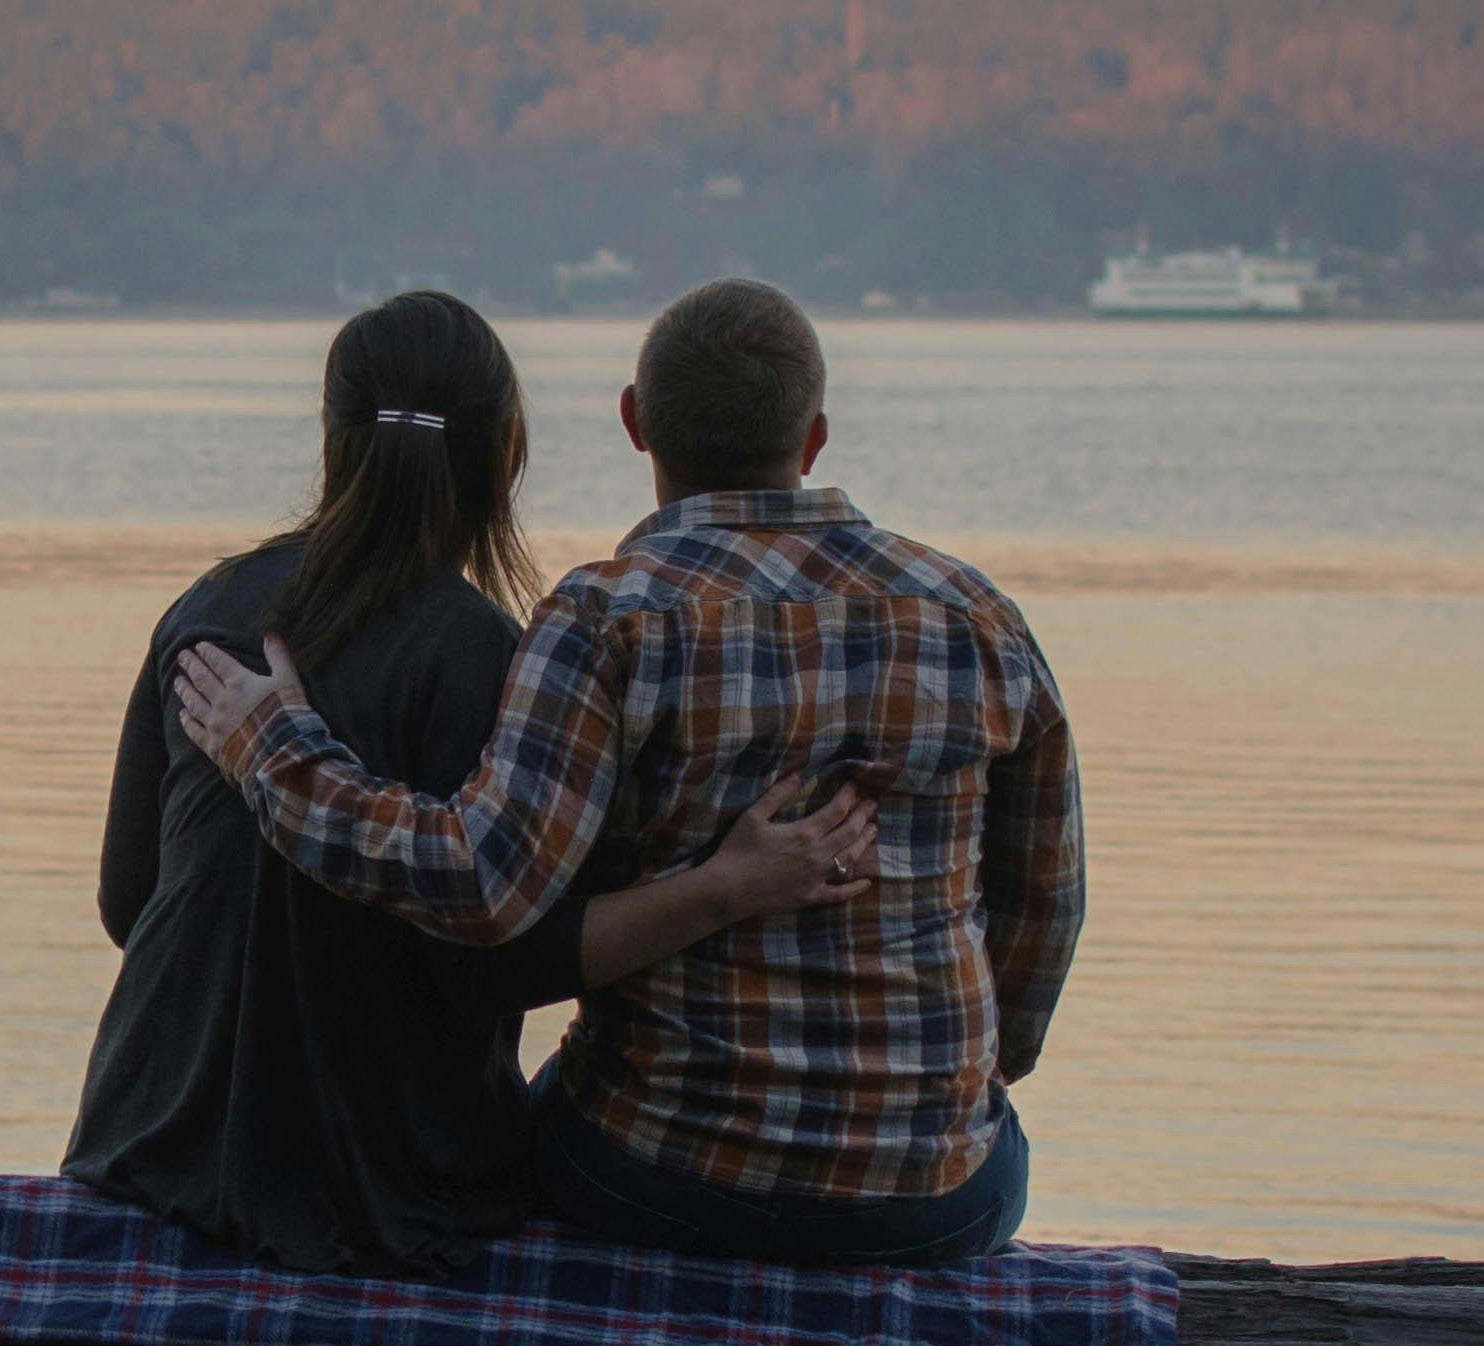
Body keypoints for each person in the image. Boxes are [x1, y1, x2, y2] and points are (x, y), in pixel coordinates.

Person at [172, 277, 1086, 1267]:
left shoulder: (606, 620)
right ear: (815, 437)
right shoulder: (977, 618)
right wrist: (966, 1081)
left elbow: (481, 883)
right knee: (994, 1141)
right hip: (930, 1200)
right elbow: (1045, 905)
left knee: (533, 1117)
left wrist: (273, 751)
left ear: (634, 423)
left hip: (653, 1176)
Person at [66, 289, 881, 1279]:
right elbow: (504, 962)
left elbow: (129, 903)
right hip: (390, 1185)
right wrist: (720, 887)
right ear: (507, 451)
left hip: (149, 1138)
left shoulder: (209, 611)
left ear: (332, 438)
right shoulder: (490, 656)